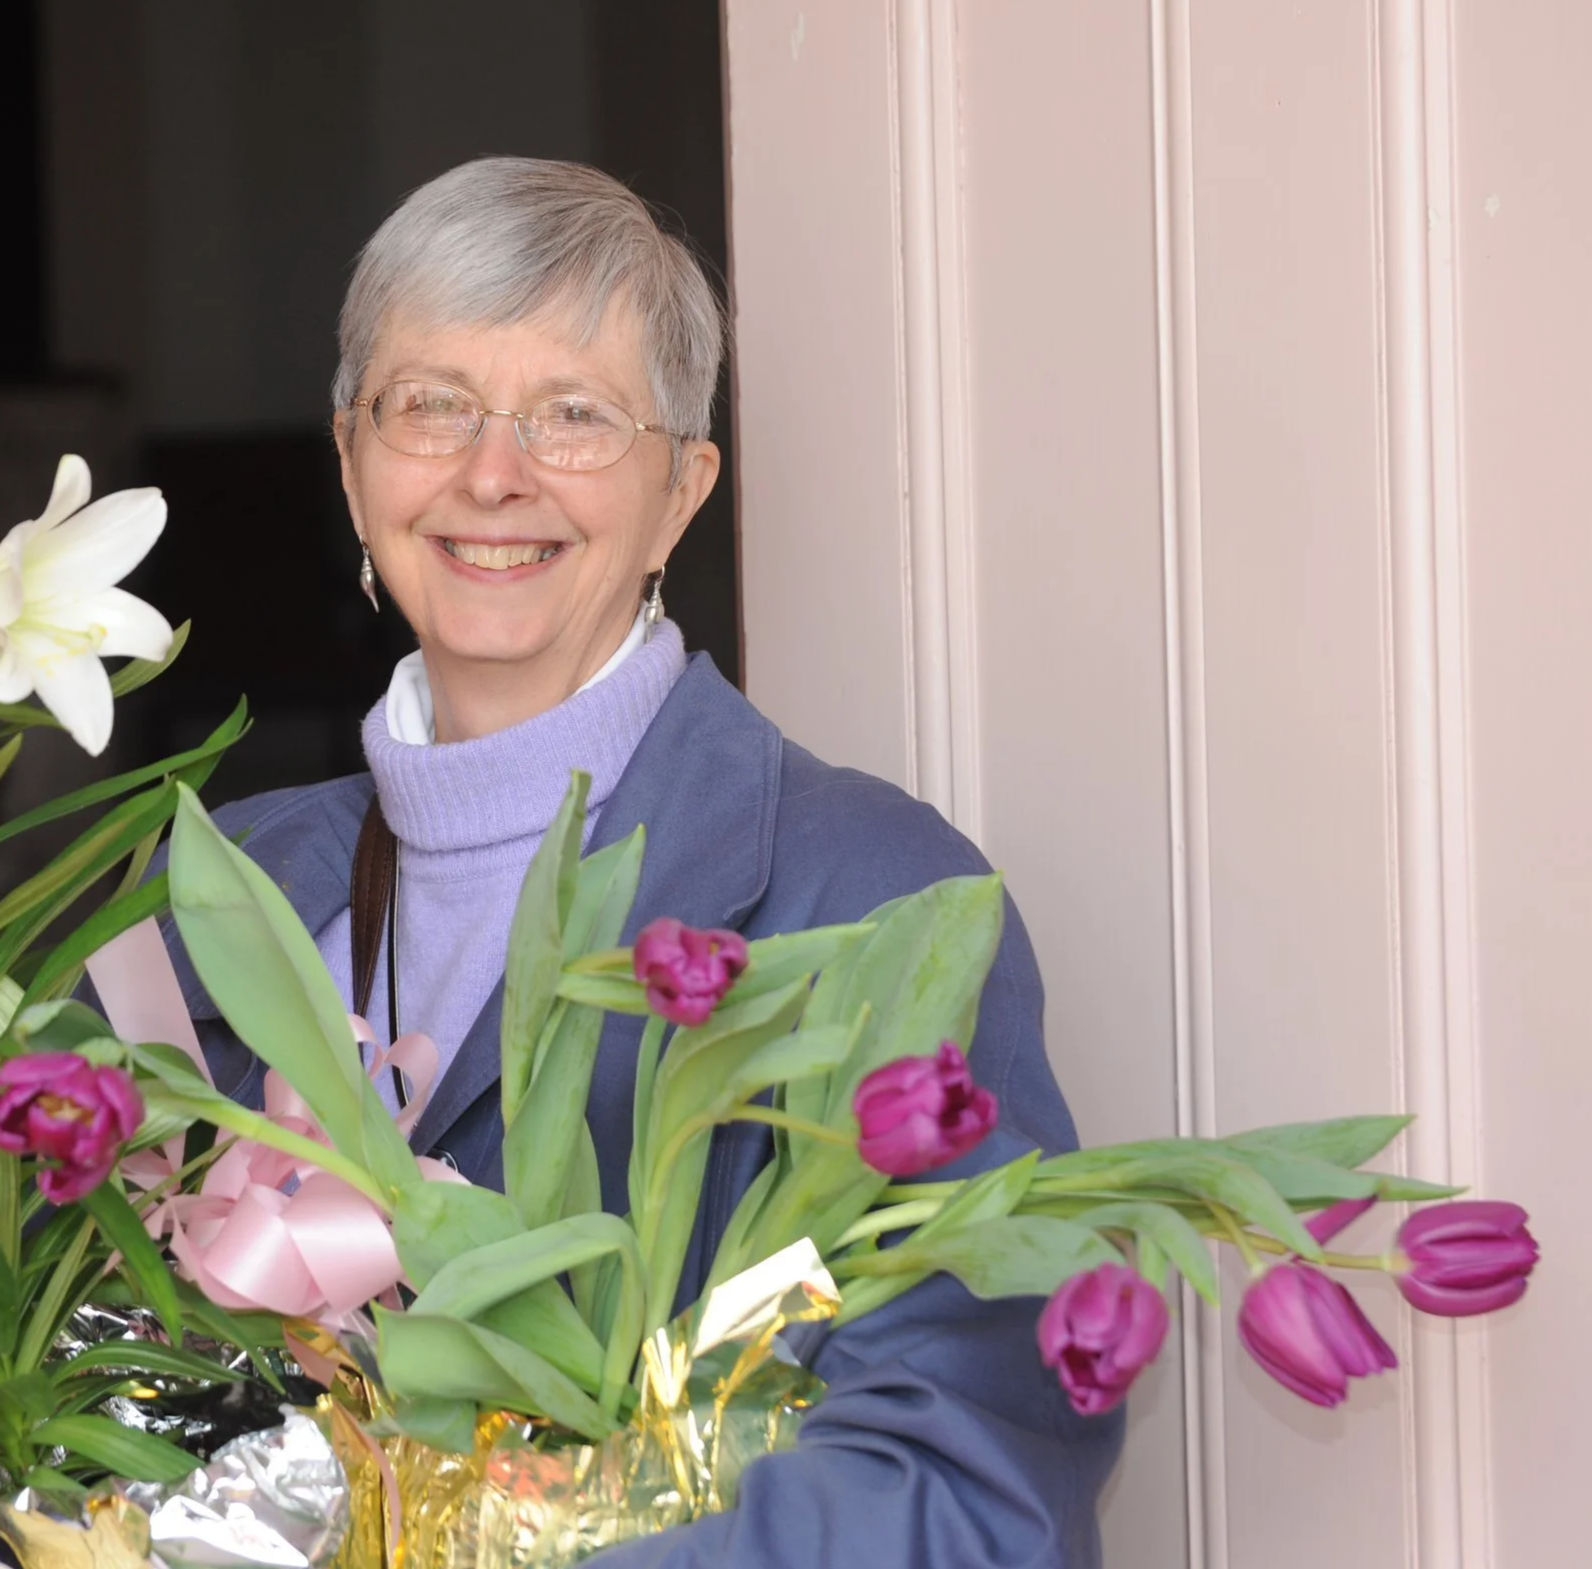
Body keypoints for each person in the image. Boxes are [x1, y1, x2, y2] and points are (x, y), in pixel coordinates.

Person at [160, 157, 1120, 1568]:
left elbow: (965, 1489)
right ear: (354, 464)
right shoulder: (225, 891)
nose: (494, 473)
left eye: (575, 416)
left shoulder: (870, 901)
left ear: (683, 491)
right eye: (430, 405)